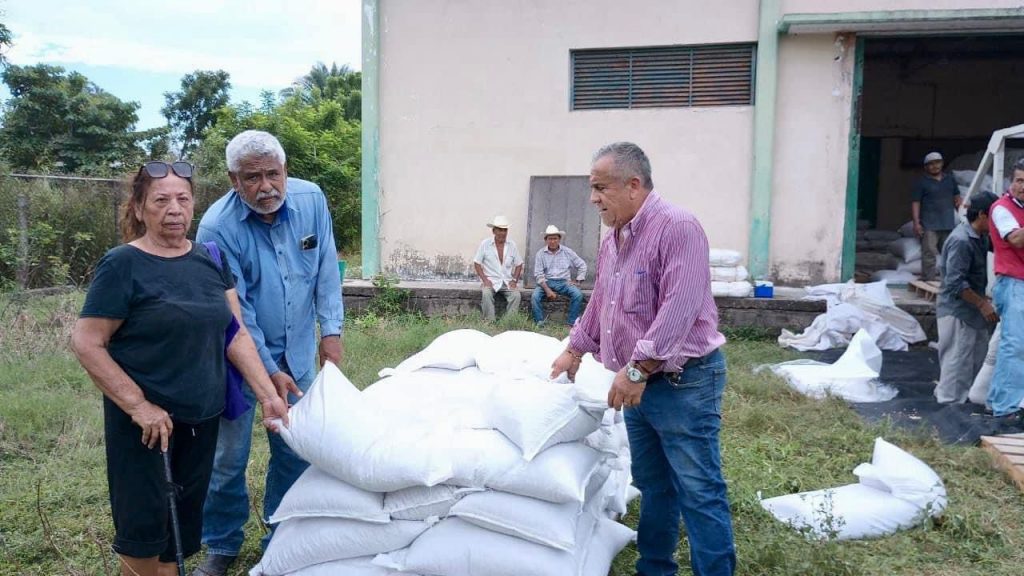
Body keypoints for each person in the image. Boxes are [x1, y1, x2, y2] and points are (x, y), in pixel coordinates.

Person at [71, 161, 289, 576]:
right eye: (161, 200)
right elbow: (87, 341)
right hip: (147, 429)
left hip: (201, 421)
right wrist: (139, 406)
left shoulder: (210, 258)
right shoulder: (122, 264)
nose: (174, 209)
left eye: (183, 199)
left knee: (179, 539)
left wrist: (267, 396)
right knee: (143, 536)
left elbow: (235, 334)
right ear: (139, 208)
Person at [551, 142, 735, 576]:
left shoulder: (678, 227)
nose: (593, 198)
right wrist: (575, 348)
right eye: (592, 188)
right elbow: (602, 301)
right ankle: (654, 568)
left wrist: (638, 368)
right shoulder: (614, 237)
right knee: (654, 485)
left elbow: (680, 307)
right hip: (637, 385)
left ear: (633, 185)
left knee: (699, 490)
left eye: (601, 188)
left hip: (682, 383)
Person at [192, 131, 344, 575]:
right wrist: (267, 371)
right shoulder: (216, 229)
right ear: (233, 180)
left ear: (285, 170)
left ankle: (281, 536)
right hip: (236, 361)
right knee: (228, 457)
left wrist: (331, 330)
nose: (266, 187)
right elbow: (236, 312)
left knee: (295, 450)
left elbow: (326, 268)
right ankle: (221, 543)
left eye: (273, 174)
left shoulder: (311, 200)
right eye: (252, 178)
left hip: (298, 355)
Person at [934, 192, 999, 404]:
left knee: (974, 360)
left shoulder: (981, 236)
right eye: (995, 218)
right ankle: (949, 408)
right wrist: (983, 304)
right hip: (958, 311)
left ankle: (963, 403)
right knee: (957, 362)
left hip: (972, 311)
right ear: (981, 215)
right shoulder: (961, 241)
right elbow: (955, 283)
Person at [986, 160, 1024, 418]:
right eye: (1019, 180)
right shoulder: (1002, 208)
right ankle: (1006, 408)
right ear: (1011, 181)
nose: (1022, 186)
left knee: (1013, 346)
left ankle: (998, 401)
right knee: (1015, 346)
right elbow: (1016, 239)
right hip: (1013, 283)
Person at [911, 151, 961, 281]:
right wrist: (916, 223)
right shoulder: (922, 182)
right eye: (931, 164)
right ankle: (929, 280)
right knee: (929, 254)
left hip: (948, 223)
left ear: (942, 163)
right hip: (929, 224)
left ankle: (948, 280)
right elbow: (916, 202)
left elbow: (957, 197)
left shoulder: (950, 180)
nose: (935, 166)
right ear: (926, 167)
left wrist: (962, 212)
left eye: (937, 162)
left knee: (949, 253)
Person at [531, 224, 587, 326]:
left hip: (564, 282)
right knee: (535, 296)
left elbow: (582, 265)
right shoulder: (540, 254)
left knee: (578, 294)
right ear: (545, 240)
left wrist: (578, 281)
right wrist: (548, 290)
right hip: (546, 282)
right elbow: (539, 274)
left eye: (555, 238)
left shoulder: (567, 252)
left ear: (559, 239)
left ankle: (571, 322)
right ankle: (539, 322)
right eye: (550, 239)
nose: (552, 241)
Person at [473, 215, 524, 321]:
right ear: (494, 231)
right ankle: (490, 321)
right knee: (486, 294)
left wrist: (514, 280)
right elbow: (477, 263)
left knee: (516, 296)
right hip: (491, 281)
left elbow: (519, 264)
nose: (503, 233)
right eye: (500, 230)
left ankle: (508, 322)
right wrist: (485, 280)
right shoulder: (485, 244)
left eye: (505, 230)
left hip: (506, 282)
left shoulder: (512, 245)